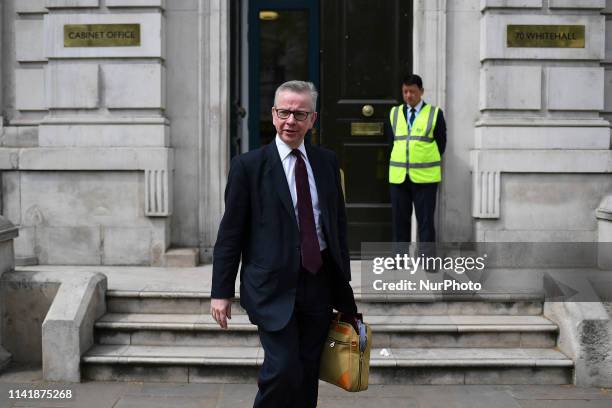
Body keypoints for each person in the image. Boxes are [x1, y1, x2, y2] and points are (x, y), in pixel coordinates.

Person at [210, 80, 357, 408]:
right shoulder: (248, 167)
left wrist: (342, 283)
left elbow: (337, 225)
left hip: (318, 283)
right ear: (274, 115)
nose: (291, 120)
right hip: (271, 287)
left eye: (299, 113)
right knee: (282, 369)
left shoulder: (327, 162)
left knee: (306, 371)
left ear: (312, 119)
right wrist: (221, 292)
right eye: (284, 112)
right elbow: (230, 234)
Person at [385, 73, 446, 253]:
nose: (408, 96)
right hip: (399, 177)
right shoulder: (394, 113)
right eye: (405, 92)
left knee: (426, 221)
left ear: (421, 92)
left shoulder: (435, 114)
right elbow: (392, 142)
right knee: (399, 221)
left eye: (412, 91)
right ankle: (400, 258)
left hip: (425, 178)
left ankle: (428, 260)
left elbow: (441, 144)